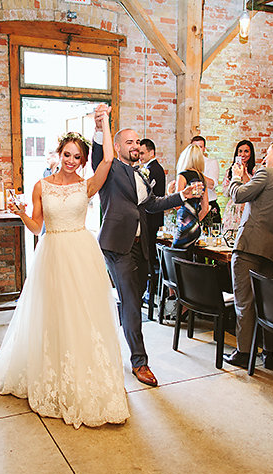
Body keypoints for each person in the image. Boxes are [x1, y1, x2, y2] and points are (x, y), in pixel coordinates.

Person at [0, 104, 130, 429]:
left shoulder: (87, 185)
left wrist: (104, 122)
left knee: (83, 315)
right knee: (53, 316)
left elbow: (108, 159)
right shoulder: (41, 186)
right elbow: (37, 228)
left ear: (82, 160)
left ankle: (84, 378)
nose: (72, 161)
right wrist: (20, 212)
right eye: (67, 154)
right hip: (51, 253)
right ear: (58, 153)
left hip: (80, 252)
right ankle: (54, 377)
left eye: (78, 157)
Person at [91, 121, 202, 388]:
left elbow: (152, 204)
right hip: (118, 245)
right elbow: (97, 154)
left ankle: (104, 337)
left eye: (137, 142)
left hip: (141, 246)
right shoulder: (110, 168)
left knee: (134, 298)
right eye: (129, 142)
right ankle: (140, 362)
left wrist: (182, 195)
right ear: (116, 147)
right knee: (131, 301)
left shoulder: (140, 174)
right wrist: (99, 128)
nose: (136, 146)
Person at [223, 141, 273, 368]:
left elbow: (238, 195)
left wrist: (237, 176)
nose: (265, 158)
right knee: (267, 303)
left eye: (268, 153)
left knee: (244, 300)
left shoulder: (267, 173)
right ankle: (268, 351)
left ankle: (244, 352)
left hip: (250, 247)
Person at [138, 138, 166, 308]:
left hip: (151, 219)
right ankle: (148, 291)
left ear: (151, 153)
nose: (139, 156)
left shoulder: (154, 170)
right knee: (147, 256)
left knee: (148, 256)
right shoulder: (149, 168)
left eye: (142, 153)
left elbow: (150, 198)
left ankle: (150, 291)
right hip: (149, 219)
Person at [173, 144, 210, 249]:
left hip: (184, 225)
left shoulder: (182, 176)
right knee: (188, 259)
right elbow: (205, 208)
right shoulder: (202, 178)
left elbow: (177, 205)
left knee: (172, 257)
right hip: (195, 228)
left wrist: (169, 191)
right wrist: (195, 222)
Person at [221, 140, 256, 232]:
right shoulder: (230, 170)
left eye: (246, 151)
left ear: (251, 153)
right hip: (233, 207)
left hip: (247, 207)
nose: (242, 154)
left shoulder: (255, 171)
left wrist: (244, 172)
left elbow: (251, 189)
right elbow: (225, 192)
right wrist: (235, 176)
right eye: (240, 151)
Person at [191, 136, 221, 224]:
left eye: (200, 147)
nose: (197, 150)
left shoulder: (211, 162)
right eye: (194, 147)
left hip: (209, 206)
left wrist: (197, 173)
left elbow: (212, 185)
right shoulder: (186, 164)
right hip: (193, 206)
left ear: (204, 149)